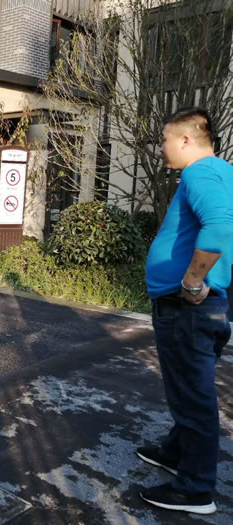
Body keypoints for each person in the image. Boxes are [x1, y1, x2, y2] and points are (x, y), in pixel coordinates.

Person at [140, 108, 233, 515]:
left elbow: (222, 226)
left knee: (194, 397)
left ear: (184, 140)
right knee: (187, 390)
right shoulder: (223, 172)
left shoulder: (199, 173)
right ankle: (175, 453)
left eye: (164, 140)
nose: (161, 148)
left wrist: (194, 280)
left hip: (188, 308)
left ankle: (195, 490)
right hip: (200, 308)